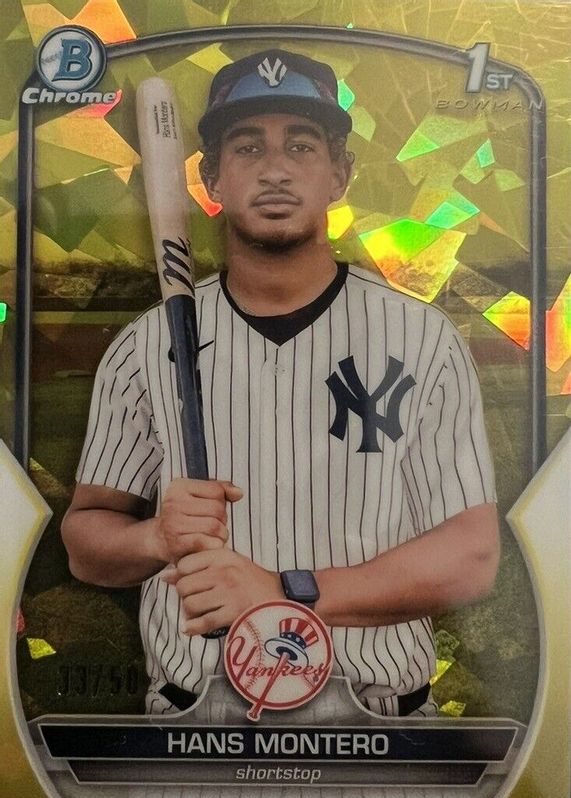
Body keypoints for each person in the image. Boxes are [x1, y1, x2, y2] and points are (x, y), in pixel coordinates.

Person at [62, 48, 499, 718]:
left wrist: (286, 590)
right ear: (211, 176)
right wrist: (154, 539)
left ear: (339, 173)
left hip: (379, 721)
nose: (274, 169)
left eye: (300, 145)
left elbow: (470, 557)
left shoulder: (421, 339)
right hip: (195, 722)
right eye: (246, 147)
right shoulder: (145, 347)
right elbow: (86, 542)